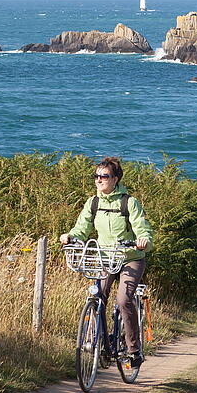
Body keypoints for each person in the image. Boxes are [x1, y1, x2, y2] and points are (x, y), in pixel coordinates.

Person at [60, 156, 153, 368]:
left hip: (131, 258)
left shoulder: (129, 202)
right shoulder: (93, 202)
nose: (99, 180)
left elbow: (142, 228)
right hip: (106, 258)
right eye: (96, 176)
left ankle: (133, 349)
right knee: (97, 295)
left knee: (123, 300)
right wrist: (71, 236)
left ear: (116, 179)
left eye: (104, 176)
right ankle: (96, 340)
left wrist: (143, 240)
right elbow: (82, 228)